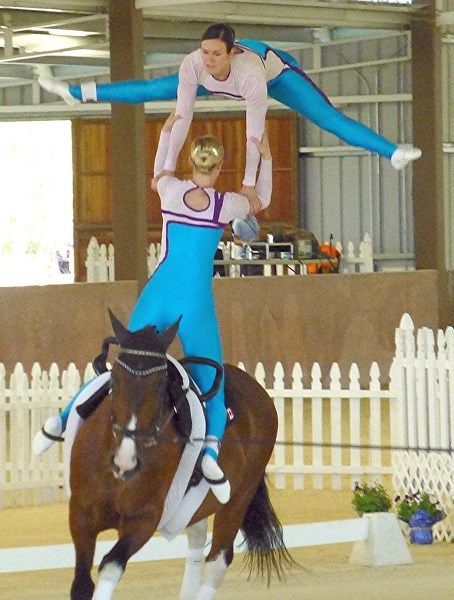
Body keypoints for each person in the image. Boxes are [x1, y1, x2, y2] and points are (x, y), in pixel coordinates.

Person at [33, 112, 273, 505]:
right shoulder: (227, 206)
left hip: (159, 292)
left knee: (123, 366)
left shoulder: (171, 191)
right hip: (195, 301)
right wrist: (261, 156)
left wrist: (171, 129)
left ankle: (59, 420)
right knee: (212, 381)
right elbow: (260, 199)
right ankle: (211, 455)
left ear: (191, 163)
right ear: (220, 166)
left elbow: (160, 165)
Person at [38, 22, 421, 202]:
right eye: (204, 52)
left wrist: (250, 183)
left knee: (328, 118)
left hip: (277, 75)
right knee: (154, 88)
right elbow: (181, 117)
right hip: (233, 82)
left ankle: (392, 152)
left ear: (231, 52)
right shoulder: (195, 65)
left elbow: (255, 135)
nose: (208, 59)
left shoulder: (251, 75)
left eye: (216, 54)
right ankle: (75, 92)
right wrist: (166, 169)